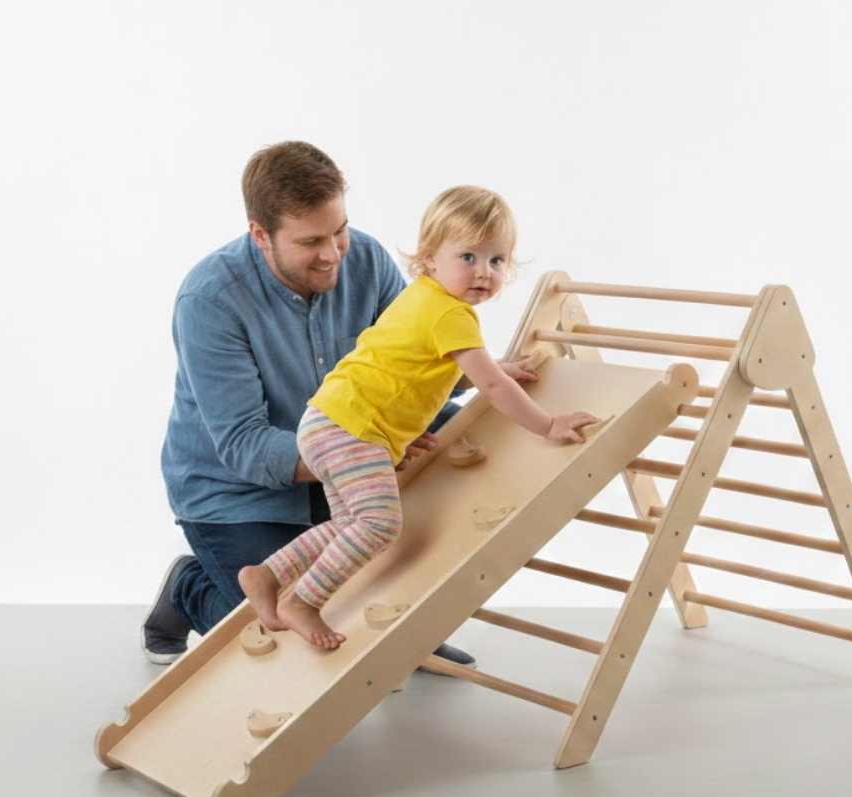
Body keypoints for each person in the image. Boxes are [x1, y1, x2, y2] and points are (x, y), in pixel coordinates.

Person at [142, 142, 477, 669]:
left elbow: (409, 366)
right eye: (311, 241)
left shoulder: (365, 257)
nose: (334, 252)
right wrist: (368, 453)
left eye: (339, 229)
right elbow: (244, 445)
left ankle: (408, 625)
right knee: (276, 634)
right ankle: (189, 588)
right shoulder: (209, 300)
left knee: (467, 452)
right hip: (239, 494)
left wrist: (484, 367)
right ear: (261, 235)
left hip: (348, 465)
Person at [238, 185, 599, 649]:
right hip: (354, 430)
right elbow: (489, 385)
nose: (483, 272)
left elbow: (444, 370)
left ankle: (269, 574)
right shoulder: (454, 316)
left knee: (350, 523)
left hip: (325, 421)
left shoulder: (422, 298)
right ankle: (303, 600)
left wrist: (497, 369)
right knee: (380, 524)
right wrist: (548, 424)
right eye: (467, 256)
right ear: (430, 259)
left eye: (496, 260)